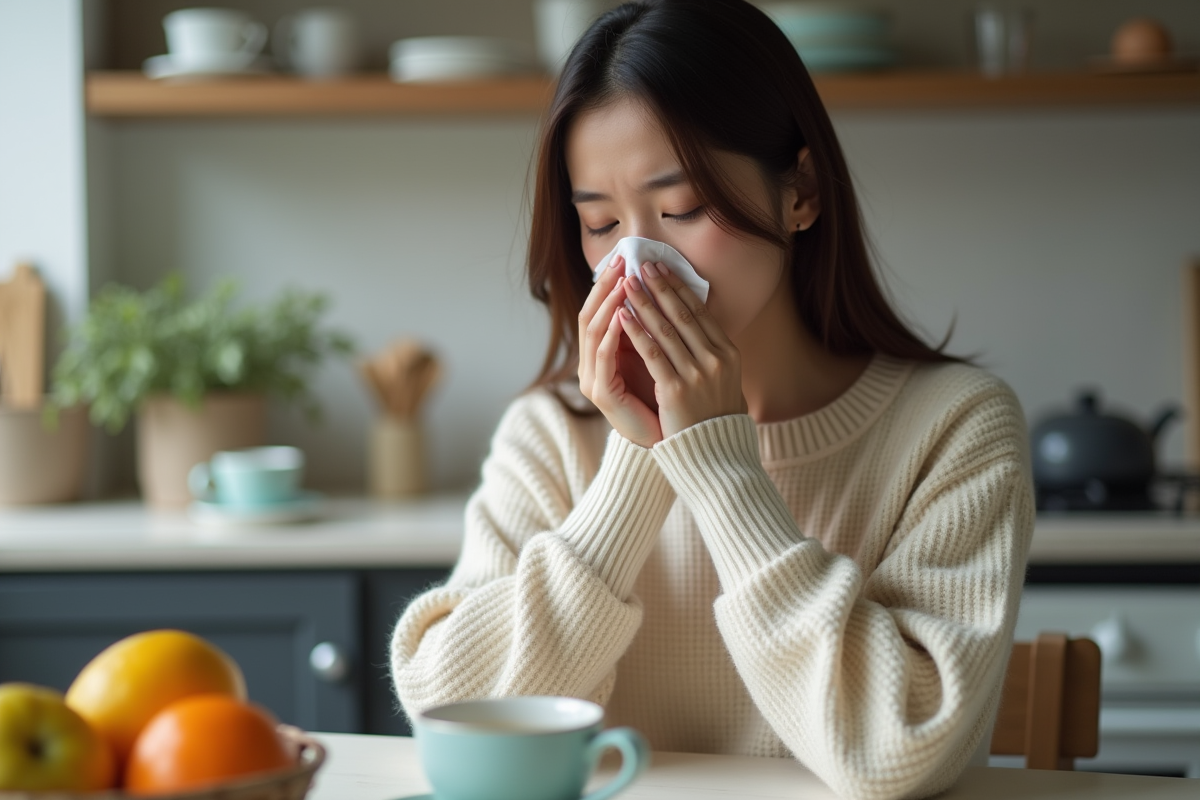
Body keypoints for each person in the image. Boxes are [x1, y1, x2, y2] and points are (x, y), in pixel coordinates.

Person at [391, 2, 1034, 798]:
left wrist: (718, 465)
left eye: (683, 210)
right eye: (599, 223)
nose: (638, 262)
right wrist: (639, 456)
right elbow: (452, 709)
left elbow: (895, 749)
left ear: (799, 190)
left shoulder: (954, 426)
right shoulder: (551, 434)